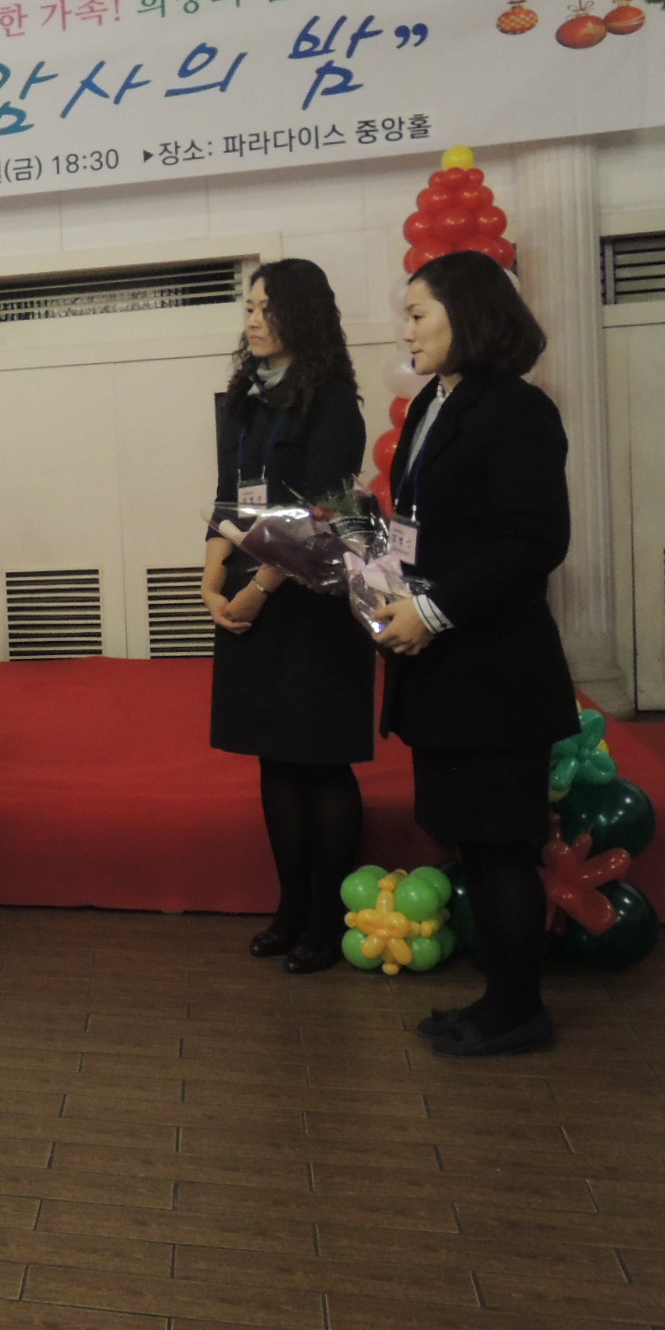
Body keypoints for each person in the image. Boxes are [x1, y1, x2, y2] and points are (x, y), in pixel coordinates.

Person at [373, 252, 578, 1058]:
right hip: (445, 671)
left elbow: (534, 539)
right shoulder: (435, 402)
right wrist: (377, 579)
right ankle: (498, 998)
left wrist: (432, 609)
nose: (406, 330)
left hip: (496, 671)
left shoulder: (518, 409)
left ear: (469, 314)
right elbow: (423, 526)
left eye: (418, 313)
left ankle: (520, 1011)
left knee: (501, 849)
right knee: (474, 842)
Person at [203, 261, 374, 973]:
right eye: (249, 307)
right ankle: (291, 907)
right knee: (274, 758)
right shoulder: (246, 398)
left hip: (311, 602)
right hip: (251, 596)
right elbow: (229, 493)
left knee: (320, 761)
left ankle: (328, 920)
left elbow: (325, 513)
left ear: (302, 316)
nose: (252, 320)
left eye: (266, 307)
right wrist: (212, 573)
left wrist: (261, 588)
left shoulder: (332, 402)